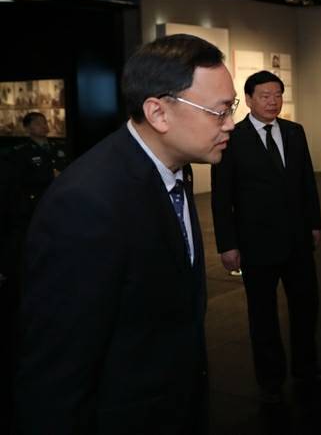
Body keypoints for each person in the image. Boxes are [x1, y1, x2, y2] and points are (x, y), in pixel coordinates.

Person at [16, 34, 237, 433]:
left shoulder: (176, 168)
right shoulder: (86, 202)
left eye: (231, 109)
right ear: (158, 112)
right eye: (218, 112)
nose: (231, 124)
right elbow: (59, 369)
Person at [211, 70, 321, 404]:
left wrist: (314, 223)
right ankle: (271, 379)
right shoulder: (233, 137)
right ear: (248, 99)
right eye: (265, 96)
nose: (273, 101)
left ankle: (307, 368)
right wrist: (227, 244)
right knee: (263, 315)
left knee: (306, 307)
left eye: (277, 95)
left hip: (298, 240)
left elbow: (306, 182)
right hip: (255, 243)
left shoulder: (294, 132)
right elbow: (221, 196)